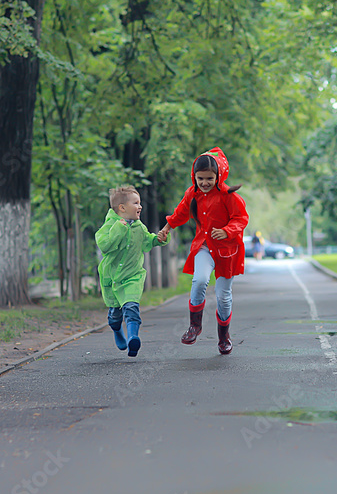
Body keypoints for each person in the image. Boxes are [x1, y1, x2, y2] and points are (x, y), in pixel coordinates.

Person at [157, 148, 248, 354]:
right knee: (199, 281)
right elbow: (180, 213)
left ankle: (224, 337)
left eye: (209, 178)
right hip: (204, 247)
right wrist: (166, 229)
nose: (204, 182)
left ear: (218, 176)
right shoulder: (193, 194)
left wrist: (227, 231)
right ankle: (194, 326)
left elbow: (241, 219)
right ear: (194, 177)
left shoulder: (229, 196)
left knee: (223, 296)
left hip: (227, 251)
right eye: (200, 178)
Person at [95, 185, 167, 357]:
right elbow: (105, 246)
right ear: (122, 208)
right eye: (136, 203)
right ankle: (117, 331)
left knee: (132, 307)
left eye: (140, 203)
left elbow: (146, 241)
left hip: (133, 276)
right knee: (115, 315)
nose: (140, 206)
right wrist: (119, 229)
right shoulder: (109, 226)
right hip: (112, 279)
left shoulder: (138, 226)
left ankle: (133, 337)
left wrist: (158, 239)